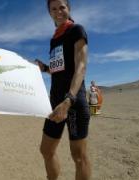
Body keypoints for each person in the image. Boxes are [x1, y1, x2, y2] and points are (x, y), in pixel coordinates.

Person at [36, 0, 91, 179]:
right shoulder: (54, 39)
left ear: (69, 9)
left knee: (78, 157)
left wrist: (68, 100)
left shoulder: (76, 30)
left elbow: (81, 66)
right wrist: (45, 68)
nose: (58, 11)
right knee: (46, 150)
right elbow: (61, 70)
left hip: (73, 101)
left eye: (62, 7)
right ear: (49, 13)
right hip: (55, 102)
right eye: (54, 8)